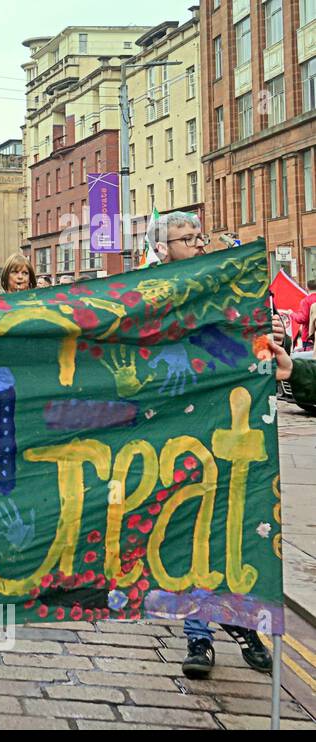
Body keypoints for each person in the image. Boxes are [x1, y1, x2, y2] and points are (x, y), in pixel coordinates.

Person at [136, 212, 273, 677]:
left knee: (231, 527)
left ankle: (241, 622)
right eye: (186, 239)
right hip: (172, 433)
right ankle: (199, 639)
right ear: (162, 247)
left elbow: (236, 342)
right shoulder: (148, 293)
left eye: (199, 237)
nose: (197, 244)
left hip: (225, 426)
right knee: (188, 531)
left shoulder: (220, 287)